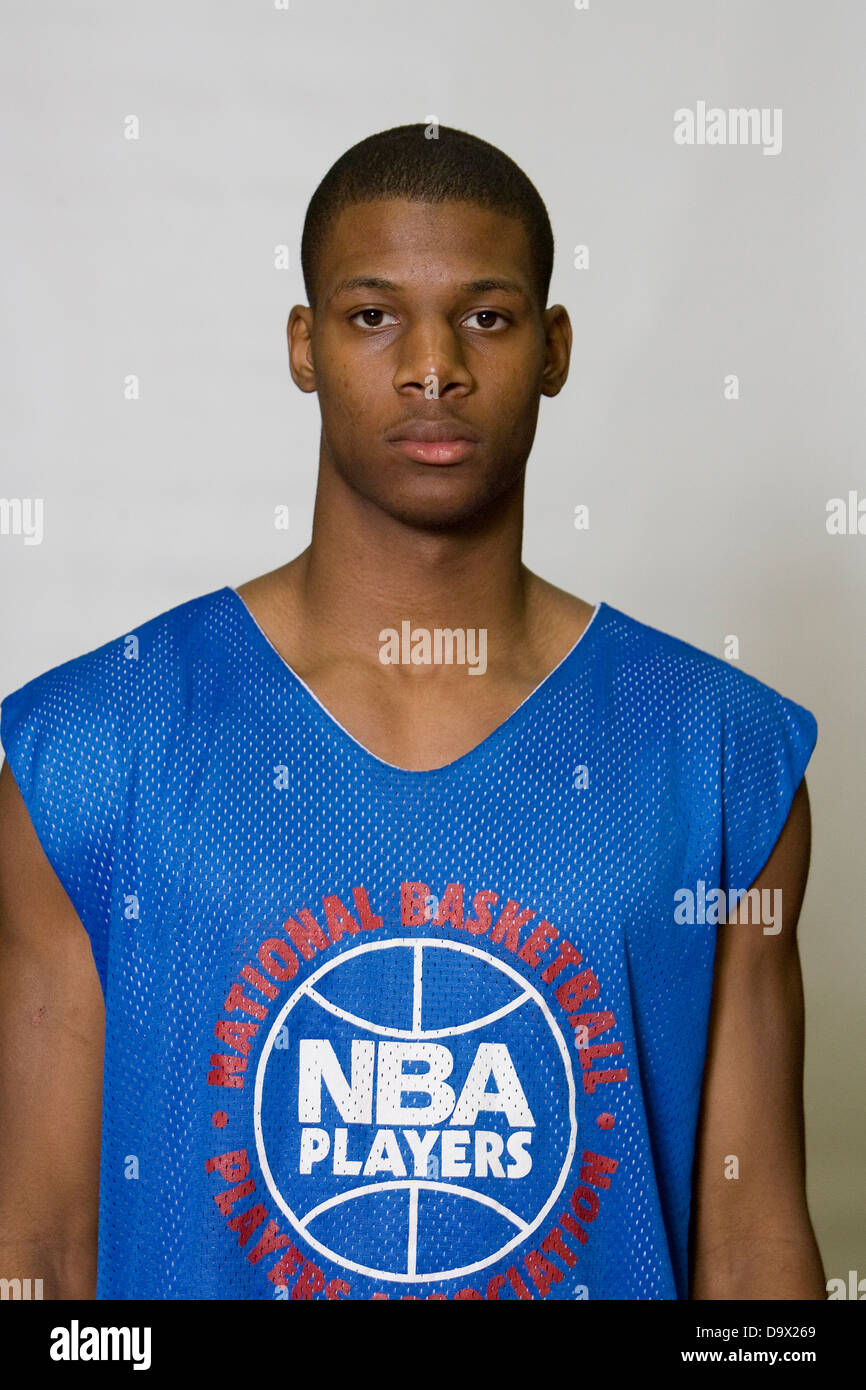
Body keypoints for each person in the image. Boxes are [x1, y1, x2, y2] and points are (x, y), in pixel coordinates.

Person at [0, 123, 825, 1301]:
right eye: (372, 314)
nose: (429, 366)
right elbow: (34, 1252)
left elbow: (750, 1258)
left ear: (551, 349)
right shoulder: (88, 751)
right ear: (303, 344)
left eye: (484, 317)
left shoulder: (719, 754)